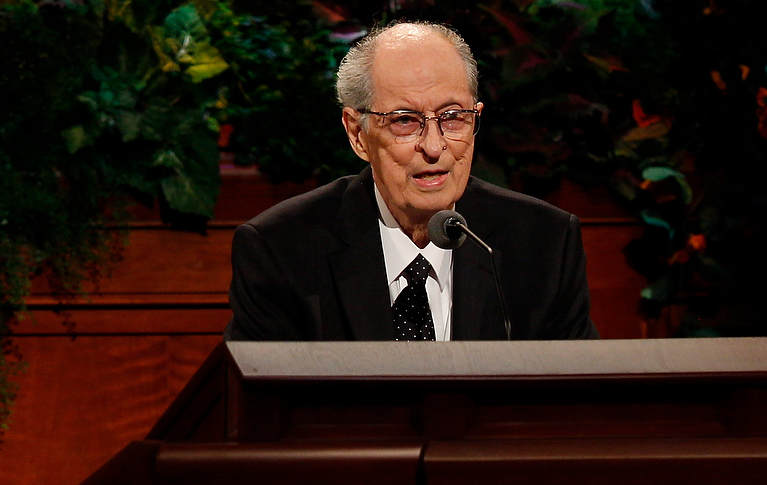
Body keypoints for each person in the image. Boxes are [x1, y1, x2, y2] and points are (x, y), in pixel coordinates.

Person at [225, 21, 598, 342]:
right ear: (358, 134)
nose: (434, 147)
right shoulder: (281, 250)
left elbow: (579, 395)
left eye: (453, 117)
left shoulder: (543, 244)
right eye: (404, 121)